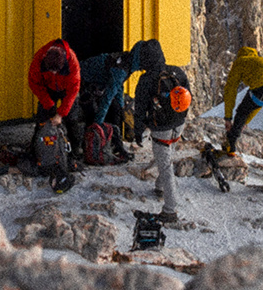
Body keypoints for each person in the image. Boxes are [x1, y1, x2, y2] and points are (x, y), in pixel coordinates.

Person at [131, 38, 193, 226]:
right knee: (167, 157)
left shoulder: (147, 79)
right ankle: (159, 187)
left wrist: (138, 130)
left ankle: (170, 210)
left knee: (166, 166)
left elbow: (140, 108)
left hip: (161, 128)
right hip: (178, 124)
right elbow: (188, 96)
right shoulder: (177, 71)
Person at [220, 46, 263, 190]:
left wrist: (228, 117)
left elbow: (230, 89)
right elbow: (259, 102)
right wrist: (246, 122)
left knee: (241, 111)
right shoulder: (261, 61)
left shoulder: (240, 62)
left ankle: (230, 146)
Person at [70, 47, 135, 162]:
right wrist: (98, 123)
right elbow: (108, 98)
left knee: (115, 110)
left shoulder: (125, 64)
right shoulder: (122, 67)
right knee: (91, 112)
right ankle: (90, 147)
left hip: (98, 85)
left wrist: (121, 107)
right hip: (84, 83)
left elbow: (118, 85)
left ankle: (114, 145)